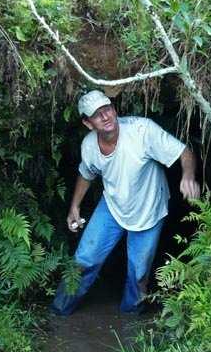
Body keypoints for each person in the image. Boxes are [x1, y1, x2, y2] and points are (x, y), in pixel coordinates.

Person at [50, 90, 200, 315]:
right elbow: (86, 173)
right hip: (112, 206)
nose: (106, 116)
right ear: (88, 123)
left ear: (114, 109)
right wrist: (74, 206)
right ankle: (59, 312)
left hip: (149, 210)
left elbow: (184, 152)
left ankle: (130, 322)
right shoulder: (89, 145)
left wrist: (188, 176)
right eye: (97, 114)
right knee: (84, 260)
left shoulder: (142, 131)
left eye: (107, 108)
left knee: (138, 273)